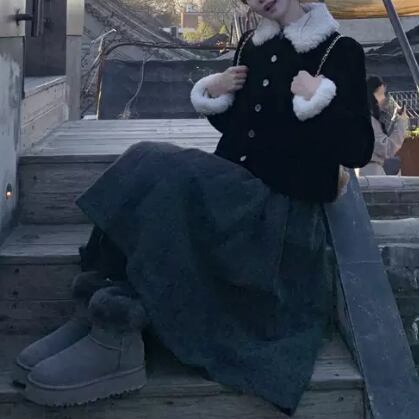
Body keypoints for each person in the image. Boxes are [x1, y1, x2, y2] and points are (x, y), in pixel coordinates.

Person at [13, 1, 374, 416]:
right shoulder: (252, 46)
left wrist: (319, 98)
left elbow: (358, 149)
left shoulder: (338, 50)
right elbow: (246, 131)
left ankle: (117, 336)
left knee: (162, 168)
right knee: (146, 161)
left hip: (277, 217)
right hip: (234, 198)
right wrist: (218, 92)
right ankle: (95, 309)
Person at [358, 75, 409, 176]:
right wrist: (402, 122)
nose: (384, 98)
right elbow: (388, 149)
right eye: (381, 94)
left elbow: (382, 140)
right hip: (371, 172)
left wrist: (395, 119)